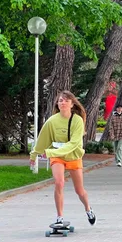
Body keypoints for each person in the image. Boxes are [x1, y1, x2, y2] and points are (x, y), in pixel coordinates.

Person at [29, 90, 96, 227]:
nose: (63, 102)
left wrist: (49, 153)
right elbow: (43, 139)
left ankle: (88, 209)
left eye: (66, 100)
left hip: (73, 156)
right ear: (57, 104)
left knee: (79, 190)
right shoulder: (52, 121)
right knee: (59, 182)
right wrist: (34, 154)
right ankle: (59, 217)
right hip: (57, 156)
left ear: (72, 104)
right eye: (60, 100)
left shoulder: (77, 121)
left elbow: (73, 144)